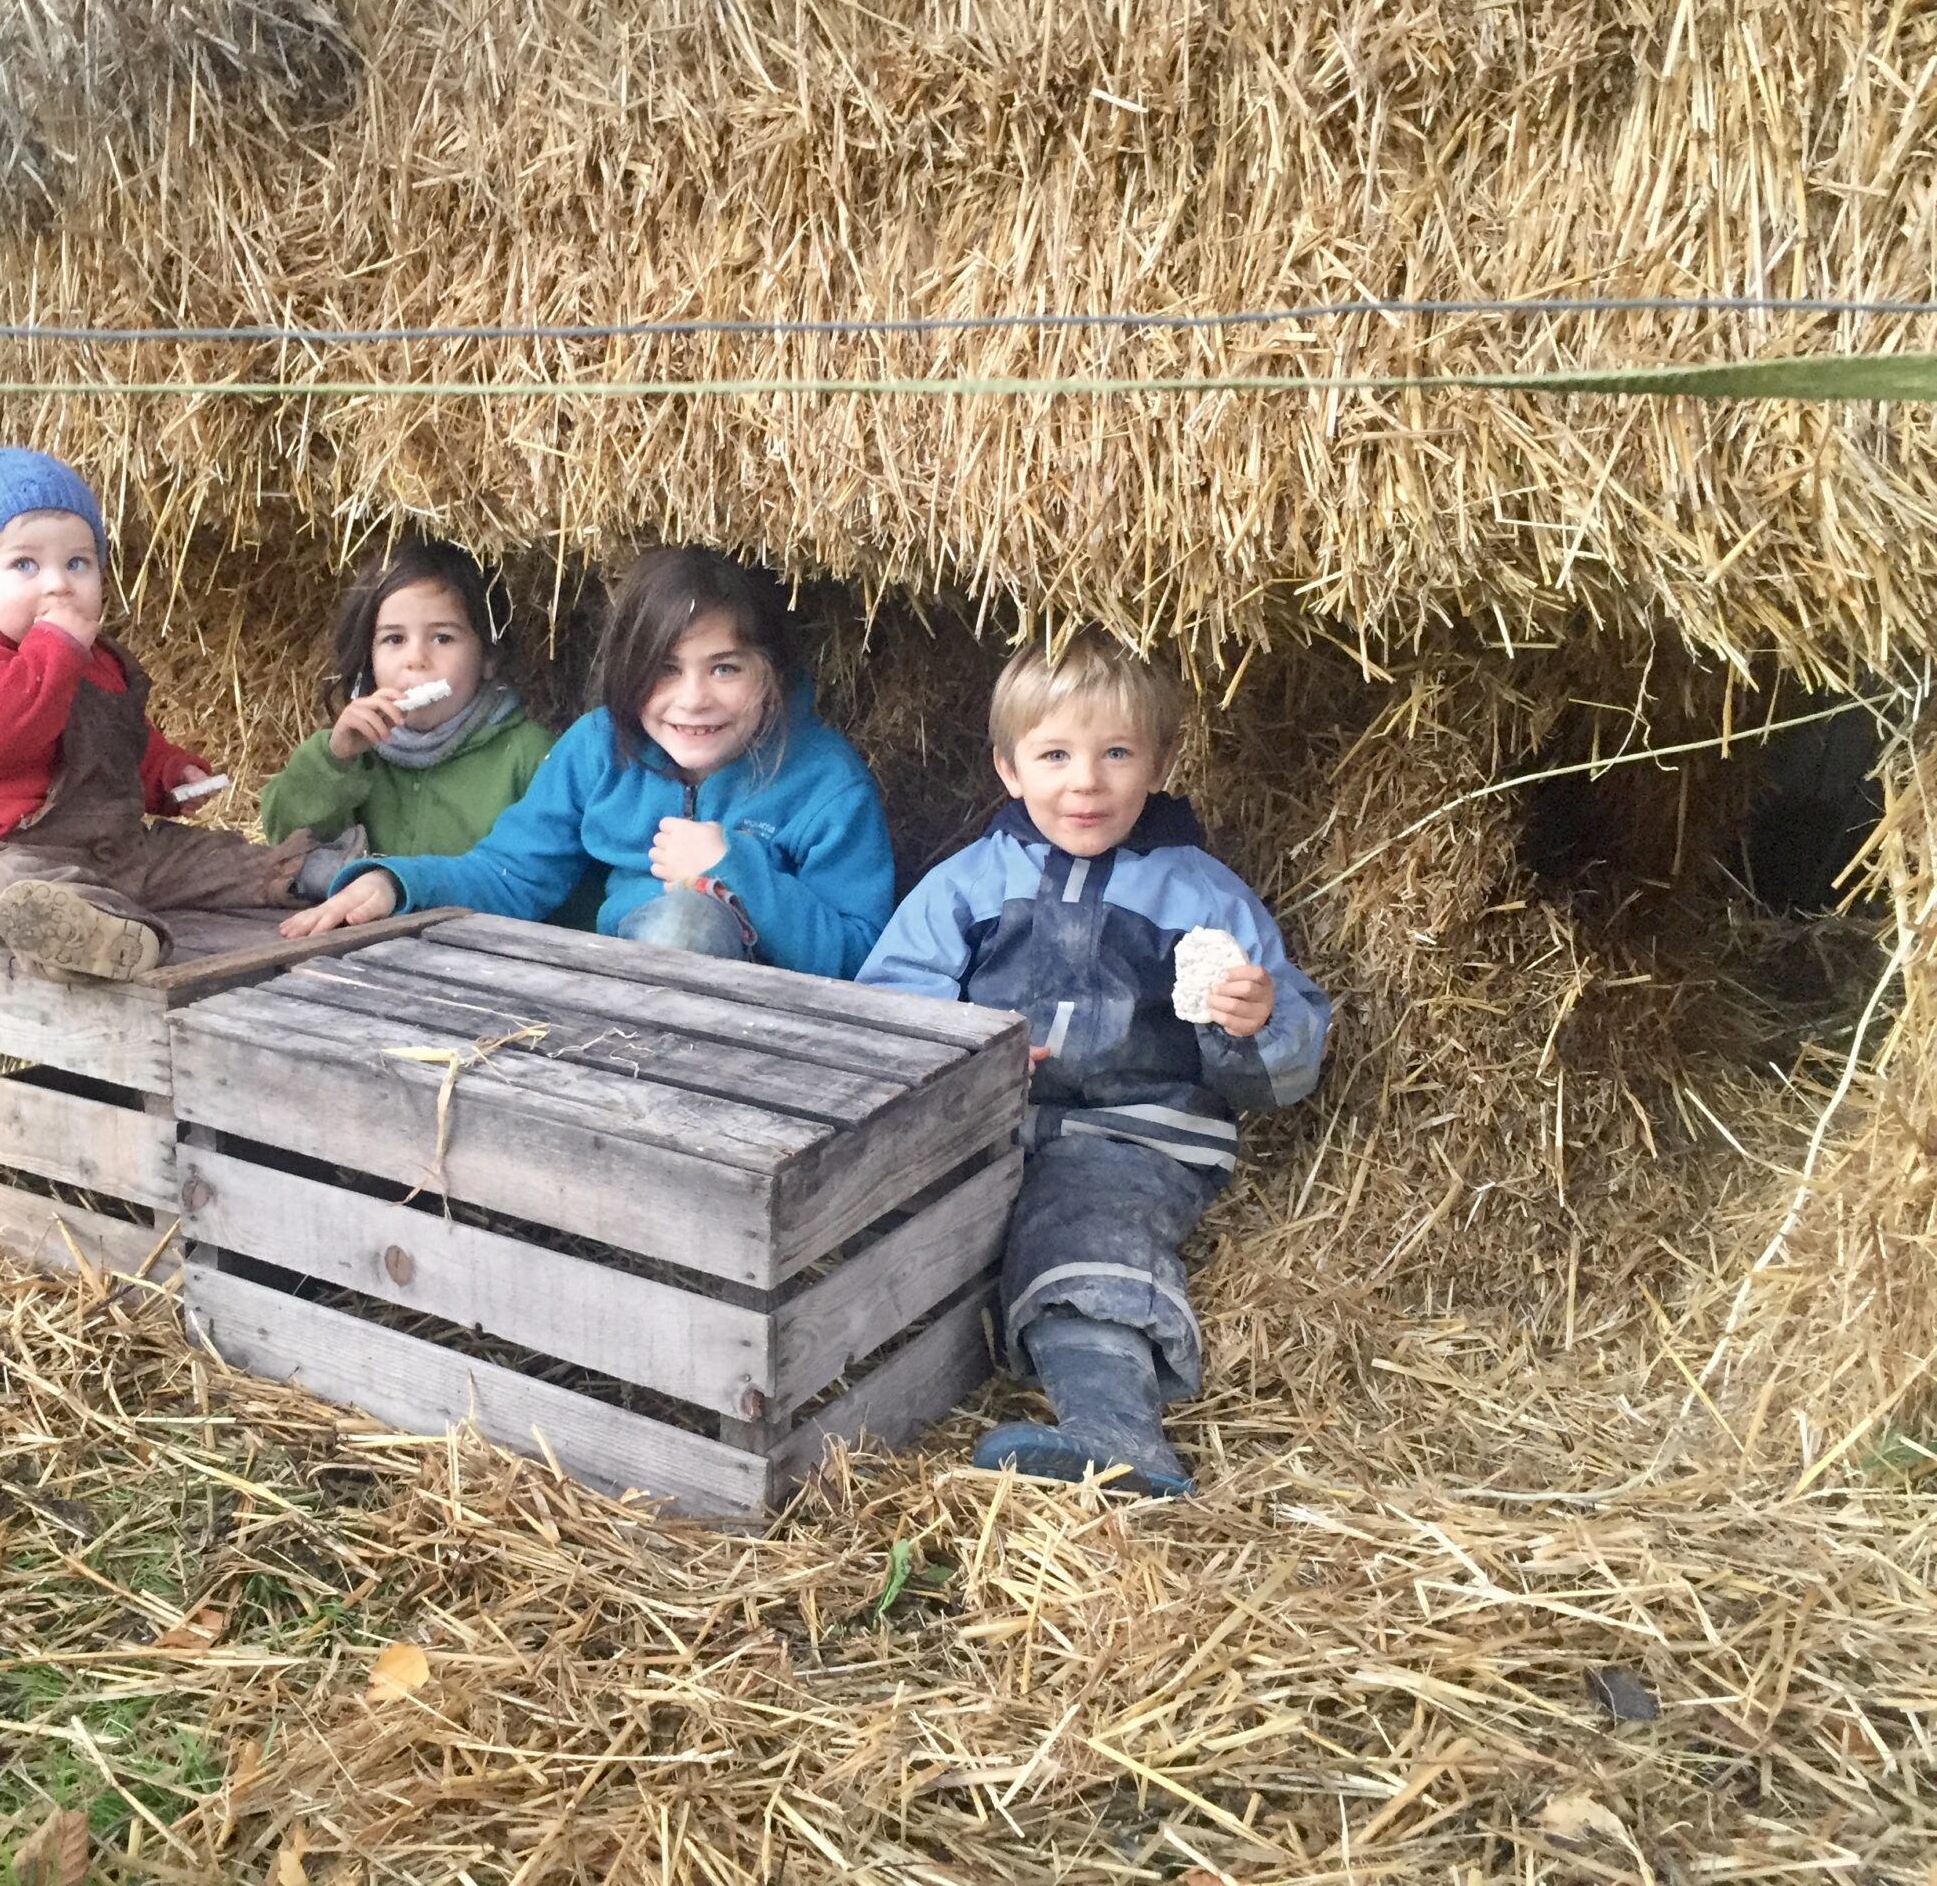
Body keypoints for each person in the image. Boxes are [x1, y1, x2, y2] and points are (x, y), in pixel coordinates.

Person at [856, 636, 1329, 1494]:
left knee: (1083, 1224)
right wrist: (972, 1056)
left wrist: (1254, 1025)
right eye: (1055, 756)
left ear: (1162, 763)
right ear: (1008, 770)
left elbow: (1284, 1072)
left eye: (1116, 753)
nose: (1086, 783)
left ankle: (1118, 1431)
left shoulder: (1202, 897)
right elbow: (892, 1005)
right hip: (990, 1127)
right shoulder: (967, 884)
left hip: (1132, 1133)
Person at [280, 545, 892, 977]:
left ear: (775, 672)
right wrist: (397, 883)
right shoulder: (600, 747)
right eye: (665, 669)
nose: (693, 699)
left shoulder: (825, 783)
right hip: (619, 1003)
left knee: (686, 924)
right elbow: (510, 874)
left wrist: (735, 869)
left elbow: (862, 957)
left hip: (783, 1041)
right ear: (627, 669)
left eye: (725, 668)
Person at [0, 448, 302, 980]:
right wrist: (52, 653)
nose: (59, 584)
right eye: (25, 565)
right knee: (12, 885)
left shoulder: (86, 657)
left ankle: (300, 873)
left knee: (209, 856)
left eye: (77, 563)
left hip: (111, 851)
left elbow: (119, 742)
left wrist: (167, 774)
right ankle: (87, 937)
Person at [258, 540, 563, 904]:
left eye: (443, 638)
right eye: (394, 639)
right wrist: (333, 760)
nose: (415, 658)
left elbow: (541, 879)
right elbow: (283, 838)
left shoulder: (531, 755)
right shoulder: (354, 750)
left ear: (488, 658)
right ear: (369, 657)